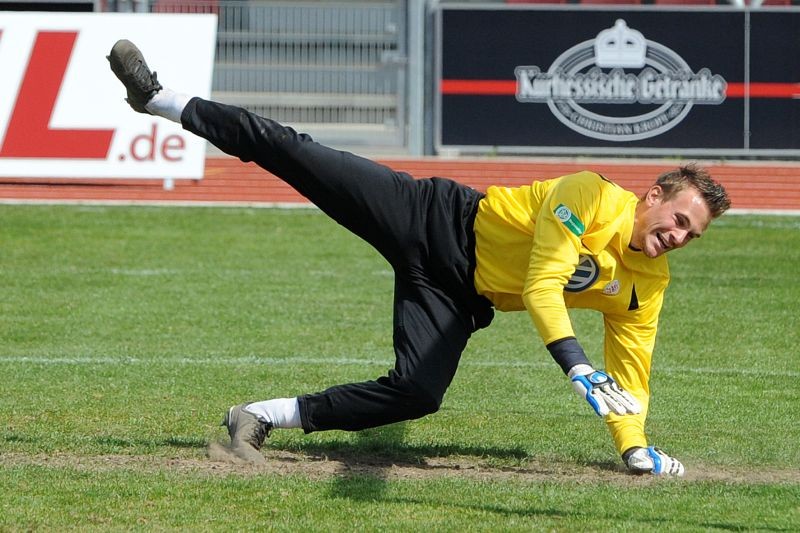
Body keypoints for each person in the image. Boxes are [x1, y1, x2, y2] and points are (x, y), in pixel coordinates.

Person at [108, 40, 730, 476]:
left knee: (418, 393)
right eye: (678, 220)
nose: (678, 236)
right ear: (653, 195)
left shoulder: (648, 281)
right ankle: (159, 98)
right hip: (434, 217)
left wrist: (634, 448)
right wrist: (576, 366)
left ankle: (258, 416)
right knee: (295, 152)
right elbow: (544, 284)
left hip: (460, 295)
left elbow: (631, 374)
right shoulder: (587, 195)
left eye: (691, 235)